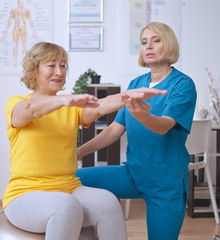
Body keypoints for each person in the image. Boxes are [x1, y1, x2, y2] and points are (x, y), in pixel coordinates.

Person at [3, 41, 167, 239]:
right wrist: (61, 100)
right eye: (51, 65)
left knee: (108, 201)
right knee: (65, 205)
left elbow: (99, 107)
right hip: (24, 195)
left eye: (63, 66)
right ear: (34, 70)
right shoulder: (17, 103)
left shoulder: (70, 107)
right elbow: (31, 110)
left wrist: (126, 96)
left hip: (68, 188)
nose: (59, 71)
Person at [76, 22, 197, 240]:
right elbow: (114, 130)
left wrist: (144, 116)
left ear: (168, 44)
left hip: (165, 183)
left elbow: (164, 126)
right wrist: (78, 152)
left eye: (156, 40)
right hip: (133, 174)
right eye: (143, 42)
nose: (148, 46)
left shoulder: (183, 84)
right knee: (73, 178)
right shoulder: (136, 83)